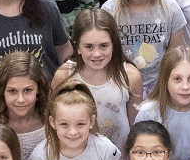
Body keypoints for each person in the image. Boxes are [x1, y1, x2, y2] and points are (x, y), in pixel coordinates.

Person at [53, 8, 142, 146]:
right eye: (89, 47)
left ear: (114, 44)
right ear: (77, 47)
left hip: (120, 159)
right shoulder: (64, 75)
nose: (97, 54)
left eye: (103, 46)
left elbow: (136, 126)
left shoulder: (130, 76)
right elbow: (53, 121)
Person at [106, 0, 188, 93]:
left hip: (161, 85)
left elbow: (176, 56)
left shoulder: (171, 8)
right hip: (121, 84)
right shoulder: (109, 11)